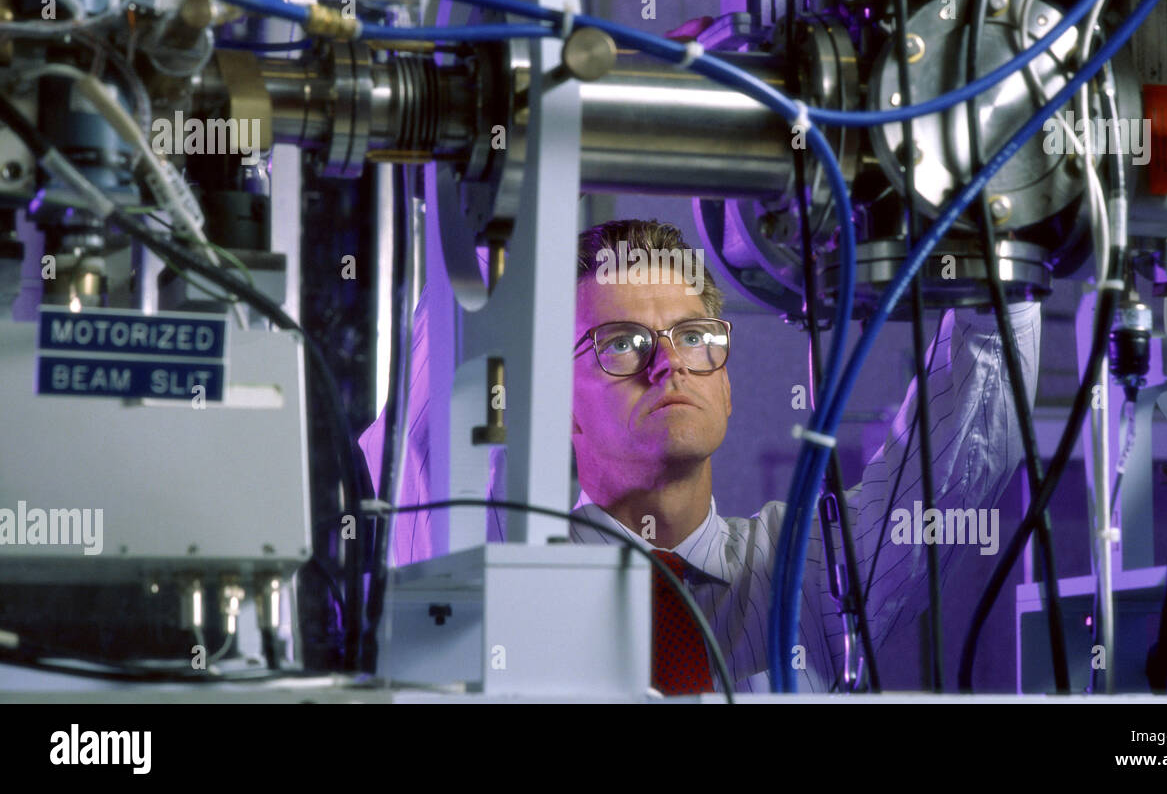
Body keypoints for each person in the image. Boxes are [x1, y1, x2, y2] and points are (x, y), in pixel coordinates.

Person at [363, 217, 1042, 693]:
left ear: (726, 381)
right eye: (622, 342)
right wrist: (502, 193)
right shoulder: (503, 564)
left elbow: (958, 461)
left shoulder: (801, 570)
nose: (669, 366)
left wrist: (990, 220)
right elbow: (430, 427)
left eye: (694, 337)